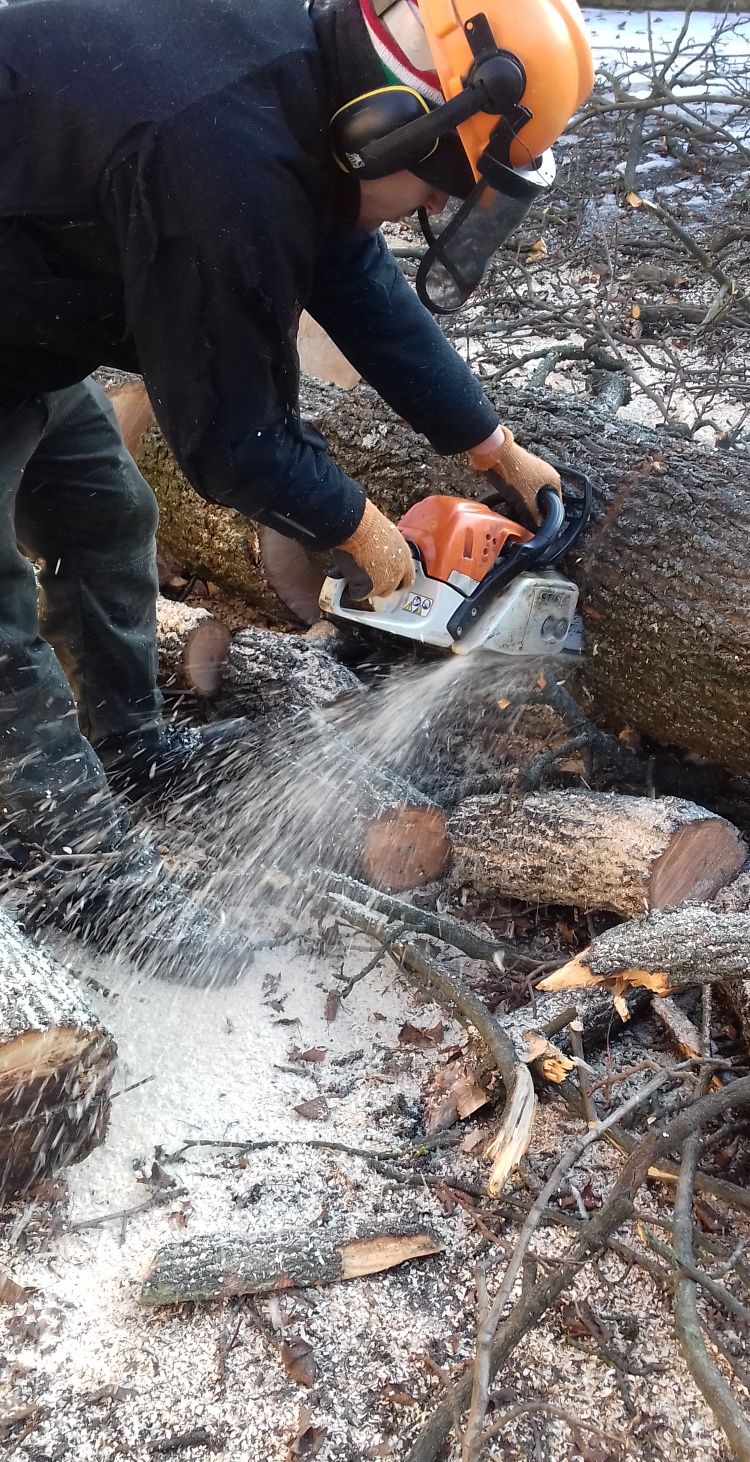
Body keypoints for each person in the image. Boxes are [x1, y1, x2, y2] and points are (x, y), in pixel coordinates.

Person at [0, 0, 594, 982]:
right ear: (392, 129)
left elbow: (351, 274)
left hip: (24, 306)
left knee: (104, 514)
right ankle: (80, 876)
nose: (429, 217)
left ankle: (132, 748)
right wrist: (356, 527)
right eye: (433, 195)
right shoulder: (220, 163)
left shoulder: (304, 89)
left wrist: (490, 444)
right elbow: (232, 443)